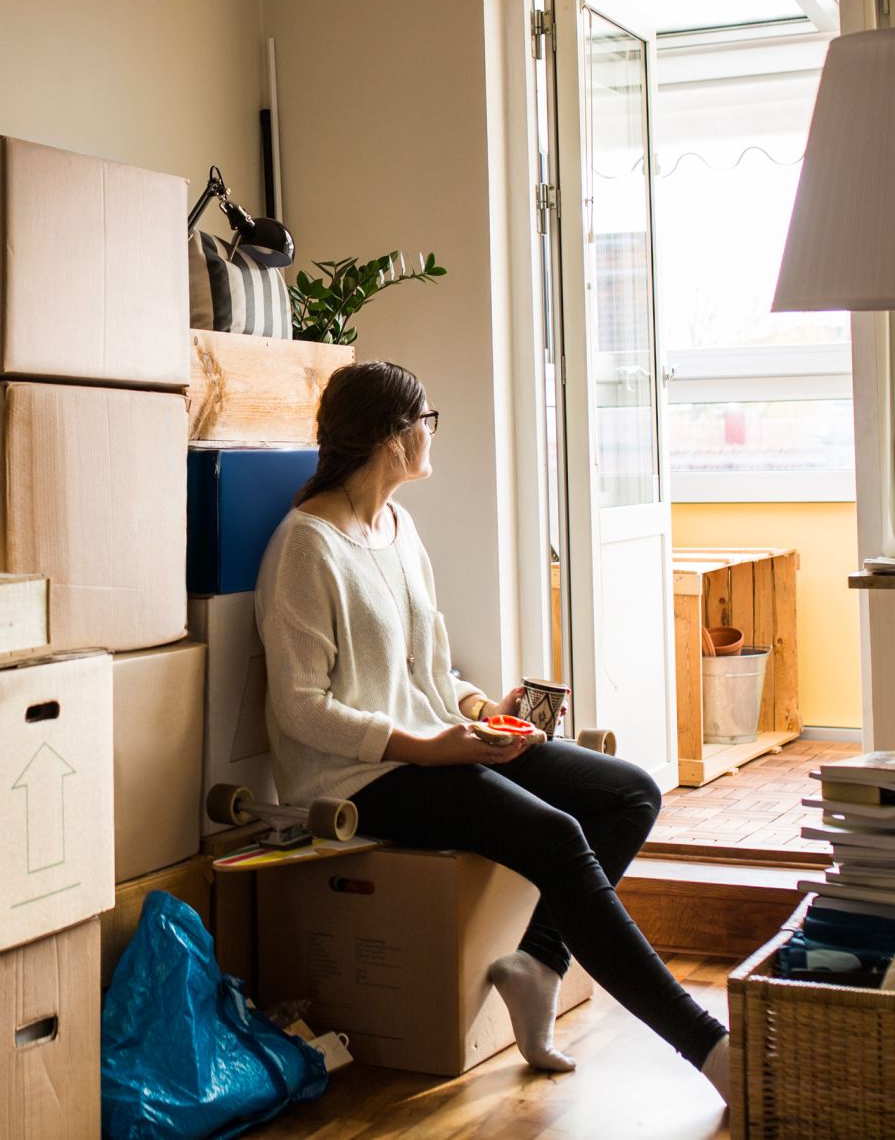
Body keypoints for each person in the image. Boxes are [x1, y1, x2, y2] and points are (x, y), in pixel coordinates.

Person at [254, 360, 729, 1098]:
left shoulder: (398, 527)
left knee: (631, 792)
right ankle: (708, 1049)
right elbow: (300, 706)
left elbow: (430, 672)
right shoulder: (304, 548)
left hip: (436, 746)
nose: (430, 433)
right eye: (425, 421)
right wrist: (424, 745)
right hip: (361, 777)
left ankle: (535, 964)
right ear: (390, 437)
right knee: (559, 839)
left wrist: (480, 710)